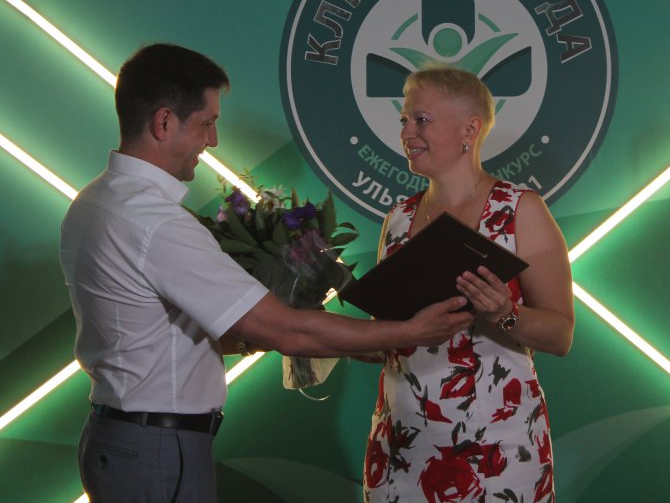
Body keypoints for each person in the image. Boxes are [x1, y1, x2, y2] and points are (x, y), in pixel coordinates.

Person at [59, 43, 473, 503]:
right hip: (157, 448)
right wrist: (407, 333)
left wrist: (347, 339)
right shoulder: (155, 223)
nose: (213, 140)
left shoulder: (94, 201)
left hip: (123, 440)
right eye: (206, 123)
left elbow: (160, 331)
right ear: (163, 122)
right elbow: (285, 330)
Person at [362, 66, 574, 503]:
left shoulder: (521, 209)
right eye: (404, 120)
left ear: (470, 130)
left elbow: (560, 335)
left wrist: (506, 314)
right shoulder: (397, 219)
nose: (407, 132)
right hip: (400, 445)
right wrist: (312, 328)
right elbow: (385, 339)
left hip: (499, 450)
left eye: (421, 120)